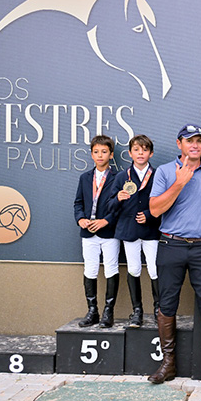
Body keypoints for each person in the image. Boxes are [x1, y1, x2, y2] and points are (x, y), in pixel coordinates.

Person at [147, 124, 201, 396]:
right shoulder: (165, 172)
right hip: (171, 245)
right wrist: (180, 182)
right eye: (189, 141)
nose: (195, 145)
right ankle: (168, 364)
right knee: (167, 303)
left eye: (199, 141)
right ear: (179, 143)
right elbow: (155, 209)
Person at [108, 135, 160, 328]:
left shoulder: (158, 175)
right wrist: (118, 198)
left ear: (151, 153)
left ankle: (158, 308)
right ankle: (137, 310)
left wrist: (150, 215)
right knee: (133, 269)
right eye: (136, 150)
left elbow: (163, 203)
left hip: (150, 229)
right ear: (130, 153)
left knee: (154, 268)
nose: (141, 153)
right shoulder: (122, 177)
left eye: (145, 150)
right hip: (129, 230)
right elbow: (109, 206)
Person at [73, 134, 120, 329]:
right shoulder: (85, 177)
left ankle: (108, 311)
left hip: (108, 232)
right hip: (88, 233)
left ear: (111, 154)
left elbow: (121, 207)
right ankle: (92, 310)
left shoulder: (119, 177)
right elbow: (78, 203)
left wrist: (105, 221)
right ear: (91, 154)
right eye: (96, 152)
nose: (100, 155)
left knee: (111, 269)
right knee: (90, 269)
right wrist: (81, 219)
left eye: (104, 152)